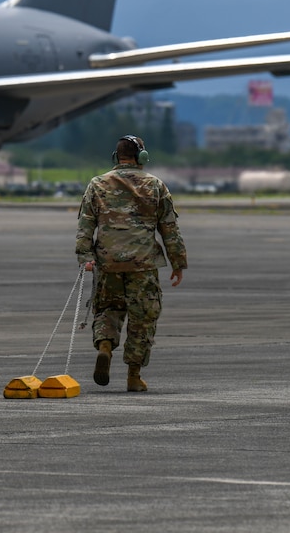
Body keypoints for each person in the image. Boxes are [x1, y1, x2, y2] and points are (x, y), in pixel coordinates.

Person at [76, 134, 187, 392]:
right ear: (142, 158)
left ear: (116, 157)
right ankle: (133, 376)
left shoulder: (97, 184)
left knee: (107, 309)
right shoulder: (155, 185)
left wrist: (86, 257)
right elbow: (169, 228)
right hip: (143, 264)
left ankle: (105, 347)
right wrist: (178, 262)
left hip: (108, 262)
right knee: (143, 317)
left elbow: (85, 224)